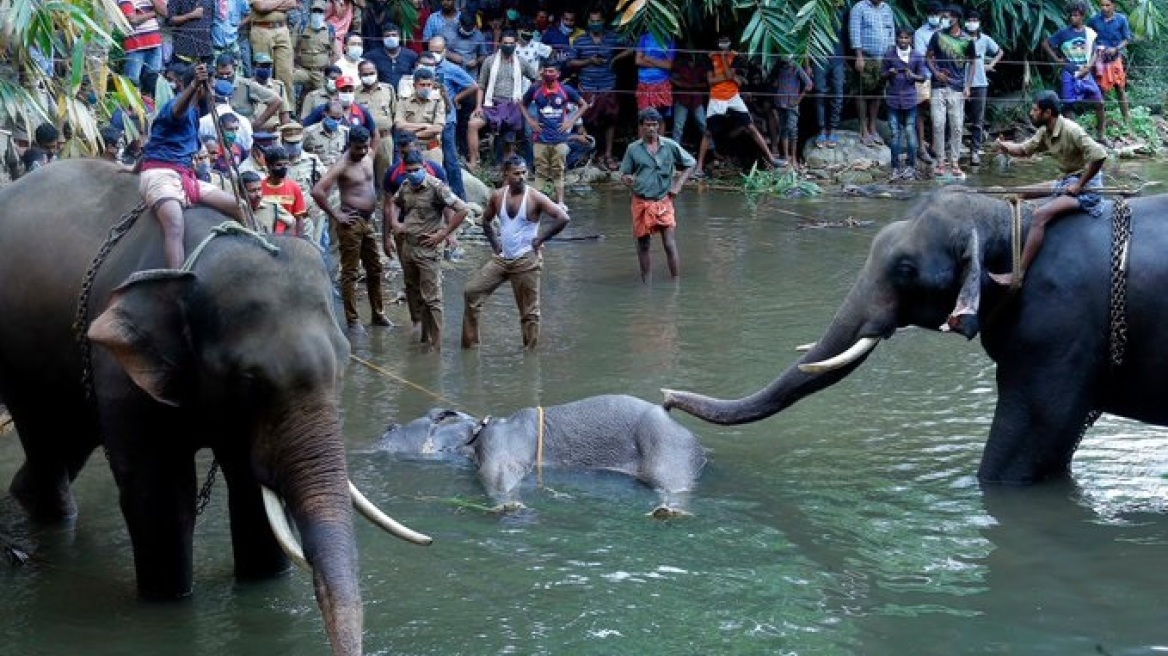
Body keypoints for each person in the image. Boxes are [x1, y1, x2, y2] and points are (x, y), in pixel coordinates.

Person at [988, 90, 1108, 287]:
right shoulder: (1045, 131)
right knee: (1018, 192)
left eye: (1035, 110)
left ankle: (1018, 274)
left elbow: (1100, 155)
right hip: (1066, 180)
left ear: (1047, 112)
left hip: (1087, 188)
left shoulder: (1071, 130)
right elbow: (1024, 150)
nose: (1031, 113)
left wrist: (1079, 185)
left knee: (1040, 215)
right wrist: (1004, 146)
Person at [137, 63, 244, 269]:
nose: (213, 93)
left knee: (239, 205)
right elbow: (178, 111)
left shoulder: (195, 113)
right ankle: (176, 280)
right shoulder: (175, 105)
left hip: (186, 178)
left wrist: (133, 169)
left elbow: (152, 145)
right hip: (161, 175)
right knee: (175, 225)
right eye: (210, 88)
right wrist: (195, 85)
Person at [461, 155, 570, 350]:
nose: (521, 177)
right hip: (503, 259)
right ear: (506, 175)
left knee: (529, 312)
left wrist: (540, 239)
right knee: (472, 292)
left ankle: (530, 356)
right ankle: (471, 346)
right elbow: (486, 220)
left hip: (526, 259)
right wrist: (495, 244)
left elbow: (562, 218)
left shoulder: (535, 197)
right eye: (516, 173)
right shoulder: (498, 196)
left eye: (524, 173)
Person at [311, 126, 392, 330]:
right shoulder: (342, 164)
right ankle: (353, 319)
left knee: (375, 268)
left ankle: (378, 314)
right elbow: (318, 191)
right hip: (351, 222)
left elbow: (377, 135)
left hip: (368, 220)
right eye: (358, 148)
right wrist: (336, 214)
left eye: (364, 147)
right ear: (350, 145)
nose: (362, 151)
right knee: (350, 272)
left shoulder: (369, 154)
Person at [387, 149, 470, 350]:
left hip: (429, 248)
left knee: (432, 298)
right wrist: (395, 225)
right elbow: (394, 203)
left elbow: (463, 209)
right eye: (409, 171)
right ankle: (423, 337)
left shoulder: (437, 187)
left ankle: (437, 345)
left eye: (416, 170)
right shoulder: (406, 186)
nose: (413, 174)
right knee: (414, 292)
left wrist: (443, 234)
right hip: (408, 246)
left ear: (424, 167)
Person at [619, 108, 695, 283]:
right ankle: (647, 283)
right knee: (643, 245)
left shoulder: (669, 145)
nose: (651, 129)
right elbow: (624, 173)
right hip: (641, 201)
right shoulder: (633, 149)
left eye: (655, 125)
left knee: (669, 243)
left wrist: (678, 185)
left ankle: (676, 282)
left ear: (659, 126)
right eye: (647, 125)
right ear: (641, 127)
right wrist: (627, 179)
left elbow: (690, 163)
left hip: (663, 201)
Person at [697, 37, 775, 175]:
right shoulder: (710, 58)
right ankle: (698, 167)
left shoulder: (736, 57)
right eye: (721, 41)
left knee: (751, 127)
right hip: (716, 97)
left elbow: (727, 74)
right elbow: (710, 81)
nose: (723, 44)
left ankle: (771, 157)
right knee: (708, 133)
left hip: (733, 97)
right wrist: (731, 78)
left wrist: (724, 61)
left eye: (726, 41)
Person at [568, 10, 631, 171]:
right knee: (587, 122)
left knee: (610, 121)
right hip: (587, 87)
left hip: (608, 85)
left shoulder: (612, 37)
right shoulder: (580, 40)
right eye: (592, 20)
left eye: (598, 20)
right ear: (588, 22)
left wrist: (615, 59)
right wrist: (589, 61)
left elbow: (632, 46)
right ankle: (593, 154)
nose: (595, 23)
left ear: (603, 21)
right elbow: (570, 63)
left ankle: (608, 155)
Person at [521, 59, 587, 207]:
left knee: (559, 170)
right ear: (542, 72)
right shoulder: (535, 89)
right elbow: (522, 104)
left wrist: (570, 121)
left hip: (560, 138)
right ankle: (538, 203)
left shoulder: (566, 90)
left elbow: (584, 105)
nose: (548, 73)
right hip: (540, 138)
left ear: (558, 74)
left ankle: (561, 203)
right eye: (546, 70)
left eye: (551, 71)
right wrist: (531, 122)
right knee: (540, 171)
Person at [469, 30, 537, 169]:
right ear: (500, 44)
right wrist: (478, 106)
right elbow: (481, 85)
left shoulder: (521, 63)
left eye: (511, 43)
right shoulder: (489, 61)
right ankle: (474, 162)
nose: (508, 45)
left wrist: (526, 99)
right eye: (505, 43)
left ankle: (513, 170)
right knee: (473, 124)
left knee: (510, 141)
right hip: (492, 105)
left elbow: (536, 80)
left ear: (516, 44)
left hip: (513, 107)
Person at [1044, 1, 1107, 143]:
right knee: (1068, 106)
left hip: (1086, 72)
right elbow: (1046, 43)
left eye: (1075, 15)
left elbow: (1096, 52)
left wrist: (1088, 68)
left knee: (1099, 103)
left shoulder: (1090, 34)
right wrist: (1057, 59)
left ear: (1082, 16)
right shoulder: (1063, 33)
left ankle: (1101, 135)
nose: (1072, 18)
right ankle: (1072, 138)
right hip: (1069, 72)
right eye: (1071, 15)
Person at [926, 4, 973, 179]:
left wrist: (968, 85)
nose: (945, 19)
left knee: (957, 126)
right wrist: (936, 73)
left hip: (957, 88)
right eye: (944, 16)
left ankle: (954, 162)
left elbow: (972, 63)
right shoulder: (937, 36)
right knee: (938, 124)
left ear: (957, 18)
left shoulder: (967, 40)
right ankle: (940, 162)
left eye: (948, 16)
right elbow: (928, 58)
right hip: (938, 87)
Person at [428, 36, 479, 198]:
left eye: (438, 51)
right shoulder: (423, 66)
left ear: (444, 51)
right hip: (427, 121)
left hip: (447, 120)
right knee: (431, 156)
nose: (434, 54)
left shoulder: (451, 69)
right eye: (431, 51)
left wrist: (456, 98)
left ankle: (459, 195)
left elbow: (473, 85)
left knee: (450, 158)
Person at [848, 0, 895, 146]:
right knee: (862, 93)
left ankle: (873, 128)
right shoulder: (859, 7)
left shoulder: (887, 8)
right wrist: (859, 56)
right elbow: (855, 32)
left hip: (883, 58)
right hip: (866, 57)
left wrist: (891, 56)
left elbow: (891, 32)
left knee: (877, 94)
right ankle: (863, 130)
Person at [883, 26, 927, 181]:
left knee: (910, 133)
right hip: (893, 99)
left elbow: (923, 77)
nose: (903, 40)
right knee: (894, 134)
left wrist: (912, 75)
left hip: (910, 99)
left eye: (906, 38)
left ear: (911, 39)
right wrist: (889, 73)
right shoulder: (889, 55)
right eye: (901, 38)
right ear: (896, 39)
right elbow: (882, 74)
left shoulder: (917, 56)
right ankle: (895, 168)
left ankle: (911, 167)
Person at [964, 9, 1002, 166]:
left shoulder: (985, 39)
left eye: (975, 20)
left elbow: (999, 51)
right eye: (969, 19)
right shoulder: (960, 38)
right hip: (961, 83)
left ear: (979, 23)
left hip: (980, 83)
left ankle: (975, 151)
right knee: (956, 118)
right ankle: (950, 152)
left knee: (978, 120)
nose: (972, 23)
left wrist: (990, 64)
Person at [1089, 0, 1133, 126]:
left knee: (1120, 88)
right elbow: (1088, 36)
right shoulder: (1094, 20)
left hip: (1115, 58)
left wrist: (1116, 48)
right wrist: (1095, 48)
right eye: (1102, 5)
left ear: (1114, 5)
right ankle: (1101, 123)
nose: (1104, 8)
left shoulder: (1121, 19)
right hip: (1099, 60)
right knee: (1100, 90)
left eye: (1107, 5)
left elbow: (1127, 38)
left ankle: (1127, 120)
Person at [913, 1, 946, 163]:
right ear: (927, 15)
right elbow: (921, 57)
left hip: (944, 77)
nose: (935, 17)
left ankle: (935, 146)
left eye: (937, 14)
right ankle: (920, 147)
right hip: (925, 76)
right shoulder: (920, 33)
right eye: (931, 13)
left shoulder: (947, 31)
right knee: (921, 111)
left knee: (939, 112)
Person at [393, 67, 446, 163]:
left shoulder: (438, 101)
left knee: (433, 176)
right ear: (414, 85)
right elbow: (399, 125)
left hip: (431, 149)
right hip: (409, 149)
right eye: (422, 85)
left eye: (429, 85)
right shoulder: (404, 101)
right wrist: (424, 125)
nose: (426, 88)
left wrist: (411, 135)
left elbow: (437, 128)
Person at [813, 7, 847, 149]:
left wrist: (846, 59)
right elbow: (809, 35)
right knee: (820, 94)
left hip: (838, 58)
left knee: (838, 94)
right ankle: (821, 130)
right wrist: (808, 63)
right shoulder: (816, 7)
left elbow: (845, 34)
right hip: (819, 57)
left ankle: (832, 129)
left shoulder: (842, 8)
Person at [771, 55, 813, 168]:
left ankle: (794, 158)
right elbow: (772, 82)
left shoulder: (796, 67)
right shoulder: (778, 67)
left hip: (792, 104)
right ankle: (786, 156)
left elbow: (809, 84)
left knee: (792, 129)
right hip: (780, 102)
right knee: (783, 129)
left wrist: (798, 99)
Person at [248, 0, 297, 96]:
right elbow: (261, 7)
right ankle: (264, 106)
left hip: (282, 29)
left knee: (286, 74)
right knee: (263, 73)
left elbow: (292, 3)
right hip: (262, 30)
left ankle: (286, 109)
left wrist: (270, 6)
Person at [260, 145, 308, 235]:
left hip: (288, 236)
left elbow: (299, 219)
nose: (283, 168)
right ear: (269, 166)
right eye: (279, 165)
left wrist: (298, 240)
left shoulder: (294, 187)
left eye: (286, 164)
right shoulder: (259, 187)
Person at [119, 0, 168, 88]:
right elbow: (133, 20)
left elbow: (165, 12)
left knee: (154, 81)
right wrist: (154, 13)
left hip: (155, 43)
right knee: (132, 83)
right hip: (135, 46)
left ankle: (150, 101)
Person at [294, 0, 335, 95]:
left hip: (320, 72)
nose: (316, 14)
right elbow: (292, 48)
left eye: (319, 11)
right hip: (303, 70)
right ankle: (290, 108)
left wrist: (328, 71)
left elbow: (333, 53)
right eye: (314, 11)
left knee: (324, 94)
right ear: (310, 12)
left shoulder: (330, 29)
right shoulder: (301, 26)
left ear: (324, 13)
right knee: (287, 79)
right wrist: (293, 66)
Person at [634, 31, 675, 116]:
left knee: (661, 116)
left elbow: (668, 65)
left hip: (662, 84)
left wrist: (648, 58)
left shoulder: (670, 39)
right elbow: (638, 61)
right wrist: (660, 63)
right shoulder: (644, 38)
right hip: (644, 83)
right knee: (643, 116)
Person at [366, 23, 418, 88]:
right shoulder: (372, 56)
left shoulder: (411, 55)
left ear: (399, 37)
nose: (391, 38)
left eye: (394, 35)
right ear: (382, 38)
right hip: (382, 94)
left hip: (405, 94)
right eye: (387, 36)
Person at [249, 52, 293, 130]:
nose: (266, 69)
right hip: (252, 131)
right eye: (262, 66)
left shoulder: (278, 87)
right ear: (254, 67)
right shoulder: (247, 86)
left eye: (268, 66)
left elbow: (284, 115)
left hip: (273, 132)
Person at [304, 99, 352, 165]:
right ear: (325, 114)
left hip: (338, 171)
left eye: (339, 119)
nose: (336, 122)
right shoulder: (309, 132)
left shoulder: (346, 133)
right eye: (333, 118)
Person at [167, 0, 214, 65]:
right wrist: (192, 15)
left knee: (205, 74)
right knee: (183, 74)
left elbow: (211, 21)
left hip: (205, 51)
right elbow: (171, 20)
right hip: (184, 51)